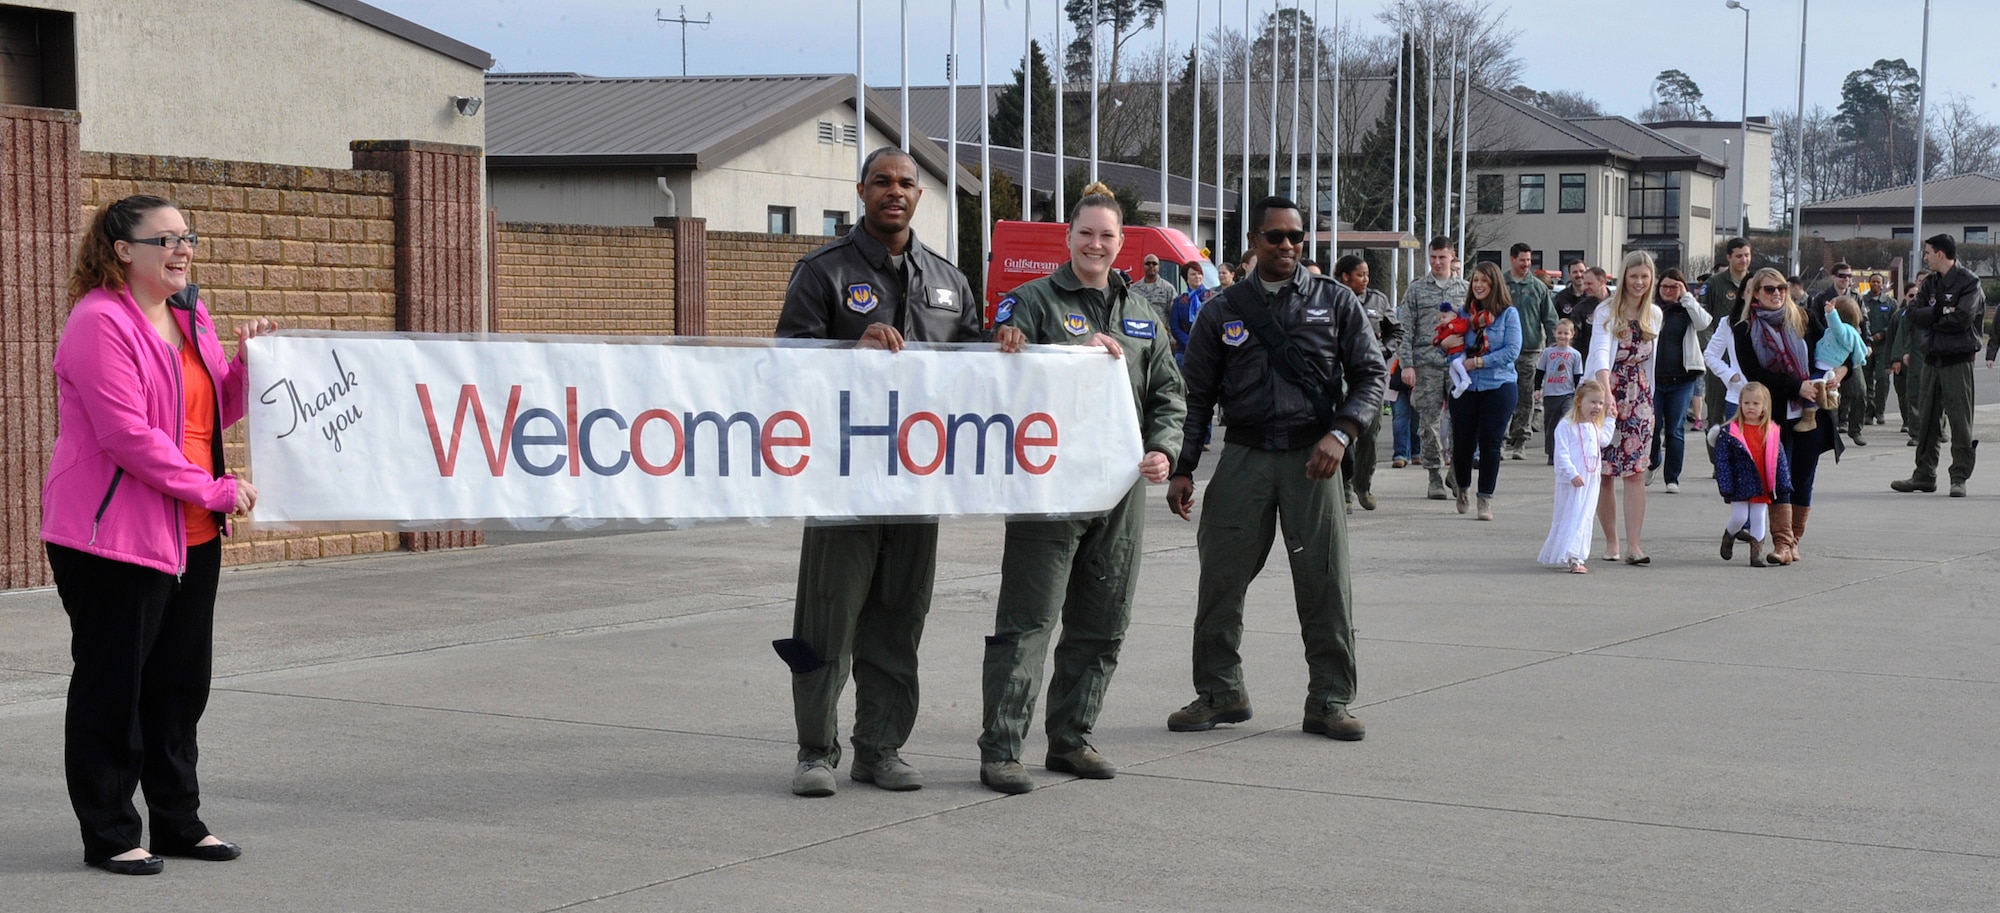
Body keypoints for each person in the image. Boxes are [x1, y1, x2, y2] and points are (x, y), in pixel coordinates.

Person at [42, 194, 277, 874]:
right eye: (166, 239)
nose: (184, 249)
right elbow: (127, 437)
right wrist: (213, 488)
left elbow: (208, 414)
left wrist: (247, 365)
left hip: (192, 532)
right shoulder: (97, 322)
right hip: (111, 537)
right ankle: (112, 831)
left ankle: (179, 821)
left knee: (179, 686)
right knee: (113, 688)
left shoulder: (189, 313)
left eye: (188, 237)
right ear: (122, 249)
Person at [773, 147, 984, 798]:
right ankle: (816, 751)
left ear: (921, 195)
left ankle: (881, 749)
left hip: (919, 484)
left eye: (907, 183)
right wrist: (848, 350)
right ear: (861, 190)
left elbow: (975, 371)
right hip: (846, 479)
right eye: (882, 182)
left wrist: (1004, 351)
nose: (895, 192)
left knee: (898, 619)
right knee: (828, 619)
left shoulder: (948, 280)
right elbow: (785, 366)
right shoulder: (823, 273)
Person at [976, 183, 1187, 795]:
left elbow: (1170, 395)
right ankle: (1002, 749)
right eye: (1086, 233)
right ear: (1067, 238)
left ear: (1122, 245)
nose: (1096, 243)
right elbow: (1001, 374)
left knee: (1103, 621)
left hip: (1120, 493)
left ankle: (1070, 739)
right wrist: (1057, 349)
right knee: (1029, 622)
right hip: (1051, 491)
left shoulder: (1145, 314)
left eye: (1107, 235)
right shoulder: (1032, 301)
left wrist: (1162, 449)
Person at [1166, 195, 1386, 742]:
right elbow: (1195, 397)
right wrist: (1183, 466)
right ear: (1253, 243)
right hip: (1243, 456)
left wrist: (1343, 432)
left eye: (1296, 237)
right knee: (1220, 579)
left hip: (1314, 460)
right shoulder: (1223, 308)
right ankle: (1220, 691)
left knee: (1325, 582)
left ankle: (1329, 699)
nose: (1287, 245)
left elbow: (1370, 375)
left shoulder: (1335, 301)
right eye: (1275, 237)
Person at [1729, 267, 1837, 565]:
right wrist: (1796, 386)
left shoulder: (1804, 318)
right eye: (1768, 289)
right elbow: (1756, 374)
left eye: (1781, 288)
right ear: (1755, 293)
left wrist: (1838, 373)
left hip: (1812, 410)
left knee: (1804, 476)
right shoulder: (1744, 329)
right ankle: (1781, 542)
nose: (1776, 293)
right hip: (1775, 411)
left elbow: (1834, 350)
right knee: (1778, 477)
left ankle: (1792, 544)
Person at [1892, 233, 1986, 498]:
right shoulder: (1930, 283)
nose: (1925, 256)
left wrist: (1934, 317)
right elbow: (1912, 314)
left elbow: (1963, 318)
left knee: (1959, 421)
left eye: (1928, 252)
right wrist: (1941, 311)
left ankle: (1959, 477)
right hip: (1932, 359)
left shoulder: (1969, 282)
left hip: (1958, 361)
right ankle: (1924, 475)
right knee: (1927, 420)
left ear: (1941, 254)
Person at [1587, 251, 1662, 565]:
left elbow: (1651, 362)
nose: (1639, 283)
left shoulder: (1654, 314)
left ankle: (1634, 545)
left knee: (1635, 471)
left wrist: (1650, 404)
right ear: (1624, 277)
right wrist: (1605, 392)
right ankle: (1611, 542)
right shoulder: (1607, 310)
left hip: (1640, 395)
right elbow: (1600, 353)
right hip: (1607, 392)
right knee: (1604, 473)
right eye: (1634, 276)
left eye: (1645, 277)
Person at [1444, 262, 1522, 521]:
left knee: (1490, 443)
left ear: (1494, 284)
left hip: (1499, 385)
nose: (1478, 286)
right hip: (1466, 386)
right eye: (1475, 280)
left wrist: (1479, 362)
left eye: (1484, 282)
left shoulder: (1508, 314)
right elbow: (1449, 349)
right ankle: (1463, 487)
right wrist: (1445, 344)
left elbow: (1512, 351)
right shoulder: (1463, 315)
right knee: (1464, 443)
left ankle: (1485, 497)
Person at [1399, 237, 1468, 500]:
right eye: (1433, 257)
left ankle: (1455, 470)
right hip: (1426, 364)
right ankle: (1434, 476)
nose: (1437, 262)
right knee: (1428, 424)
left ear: (1452, 257)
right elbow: (1404, 330)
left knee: (1461, 420)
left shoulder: (1465, 289)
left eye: (1442, 257)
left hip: (1458, 365)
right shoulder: (1417, 290)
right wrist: (1407, 364)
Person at [1334, 254, 1402, 511]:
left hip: (1369, 376)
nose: (1365, 279)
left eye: (1367, 275)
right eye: (1360, 275)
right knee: (1344, 433)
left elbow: (1396, 331)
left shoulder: (1377, 299)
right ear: (1345, 276)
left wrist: (1383, 350)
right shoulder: (1332, 297)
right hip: (1340, 376)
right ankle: (1345, 489)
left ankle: (1363, 483)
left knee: (1370, 434)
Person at [1645, 268, 1711, 493]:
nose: (1669, 291)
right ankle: (1653, 460)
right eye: (1665, 286)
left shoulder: (1687, 309)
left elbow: (1704, 323)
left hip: (1682, 379)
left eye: (1674, 286)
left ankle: (1672, 477)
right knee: (1653, 426)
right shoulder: (1651, 309)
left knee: (1675, 429)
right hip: (1653, 378)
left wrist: (1687, 297)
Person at [1538, 379, 1613, 573]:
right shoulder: (1566, 426)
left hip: (1591, 480)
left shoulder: (1594, 426)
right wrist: (1572, 473)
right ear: (1580, 401)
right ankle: (1571, 555)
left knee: (1585, 516)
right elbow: (1561, 453)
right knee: (1571, 515)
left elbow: (1603, 441)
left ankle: (1576, 555)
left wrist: (1611, 419)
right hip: (1573, 481)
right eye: (1593, 402)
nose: (1597, 407)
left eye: (1600, 403)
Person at [1714, 382, 1789, 568]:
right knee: (1739, 517)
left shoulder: (1771, 431)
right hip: (1740, 483)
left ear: (1765, 406)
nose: (1750, 407)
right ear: (1740, 404)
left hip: (1763, 483)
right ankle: (1729, 535)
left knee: (1759, 517)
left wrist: (1783, 482)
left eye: (1756, 403)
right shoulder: (1730, 432)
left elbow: (1779, 459)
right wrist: (1725, 484)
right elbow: (1722, 461)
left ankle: (1756, 554)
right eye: (1746, 403)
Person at [1504, 244, 1557, 460]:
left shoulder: (1538, 288)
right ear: (1512, 259)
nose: (1526, 264)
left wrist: (1554, 345)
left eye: (1529, 260)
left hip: (1530, 349)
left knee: (1526, 396)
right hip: (1504, 350)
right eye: (1522, 260)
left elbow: (1550, 318)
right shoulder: (1501, 284)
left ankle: (1520, 440)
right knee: (1503, 396)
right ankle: (1501, 438)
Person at [1702, 239, 1755, 436]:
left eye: (1747, 255)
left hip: (1743, 358)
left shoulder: (1755, 282)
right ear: (1729, 257)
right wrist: (1711, 352)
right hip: (1720, 358)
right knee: (1716, 414)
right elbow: (1704, 320)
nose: (1744, 260)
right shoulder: (1714, 283)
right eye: (1739, 255)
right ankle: (1718, 463)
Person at [1535, 319, 1586, 465]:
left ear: (1572, 335)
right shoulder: (1547, 352)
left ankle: (1565, 452)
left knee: (1566, 422)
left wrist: (1579, 394)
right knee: (1551, 425)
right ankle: (1552, 453)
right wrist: (1537, 389)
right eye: (1559, 333)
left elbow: (1578, 376)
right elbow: (1540, 371)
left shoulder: (1575, 354)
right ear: (1554, 333)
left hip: (1567, 394)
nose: (1562, 336)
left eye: (1566, 333)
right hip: (1551, 394)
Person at [1864, 278, 1897, 426]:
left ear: (1882, 284)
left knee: (1882, 379)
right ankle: (1868, 412)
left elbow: (1894, 323)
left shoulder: (1890, 303)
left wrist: (1882, 333)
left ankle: (1880, 411)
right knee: (1866, 380)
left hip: (1883, 346)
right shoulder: (1863, 301)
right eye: (1873, 282)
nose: (1875, 284)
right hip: (1866, 345)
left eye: (1878, 282)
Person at [1169, 258, 1213, 367]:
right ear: (1186, 278)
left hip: (1208, 349)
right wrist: (1190, 342)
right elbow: (1175, 326)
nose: (1197, 276)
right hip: (1184, 350)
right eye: (1193, 274)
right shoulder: (1179, 301)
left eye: (1199, 274)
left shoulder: (1212, 297)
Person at [1433, 301, 1476, 398]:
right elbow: (1440, 338)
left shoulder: (1458, 322)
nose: (1441, 320)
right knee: (1452, 371)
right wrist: (1437, 341)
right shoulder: (1443, 328)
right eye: (1440, 318)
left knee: (1457, 363)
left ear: (1453, 316)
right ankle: (1458, 386)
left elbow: (1464, 327)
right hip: (1451, 354)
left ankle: (1465, 379)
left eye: (1444, 317)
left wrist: (1454, 328)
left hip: (1460, 351)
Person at [1131, 253, 1177, 326]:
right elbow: (1130, 313)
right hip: (1140, 333)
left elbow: (1174, 316)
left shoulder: (1168, 288)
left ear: (1159, 267)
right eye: (1148, 263)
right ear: (1143, 266)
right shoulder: (1133, 289)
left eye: (1154, 264)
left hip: (1161, 333)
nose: (1151, 266)